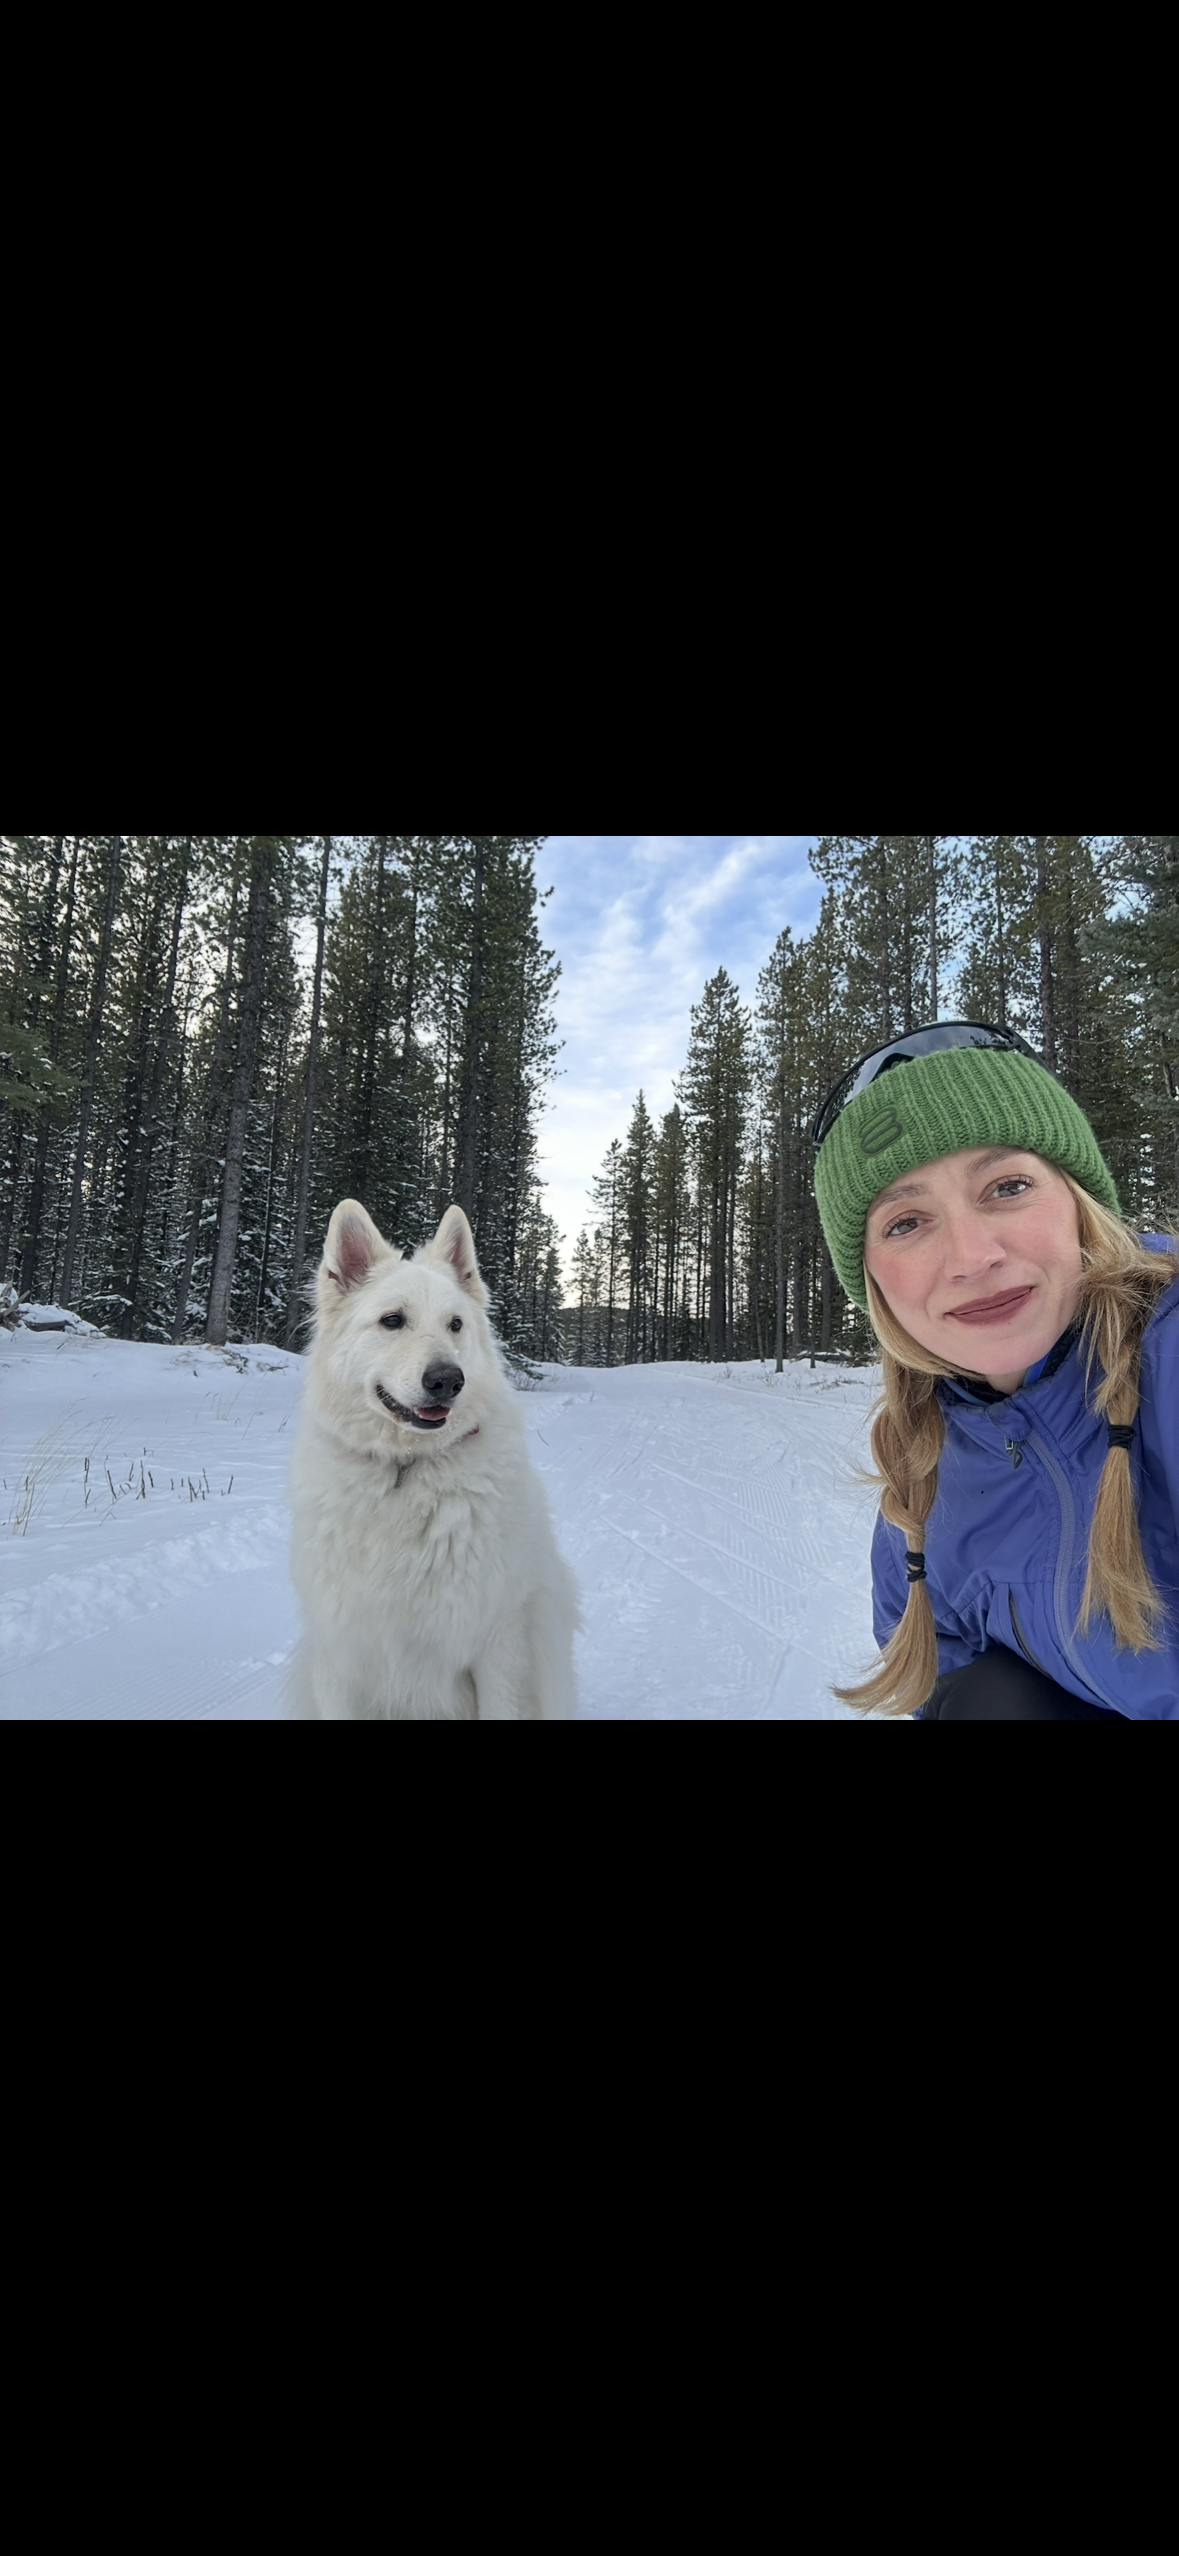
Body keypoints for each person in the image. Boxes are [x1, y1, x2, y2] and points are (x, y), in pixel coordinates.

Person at [811, 1023, 1179, 1719]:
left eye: (1005, 1186)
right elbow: (936, 1666)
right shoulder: (921, 1458)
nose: (971, 1255)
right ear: (872, 1283)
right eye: (905, 1223)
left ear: (1077, 1202)